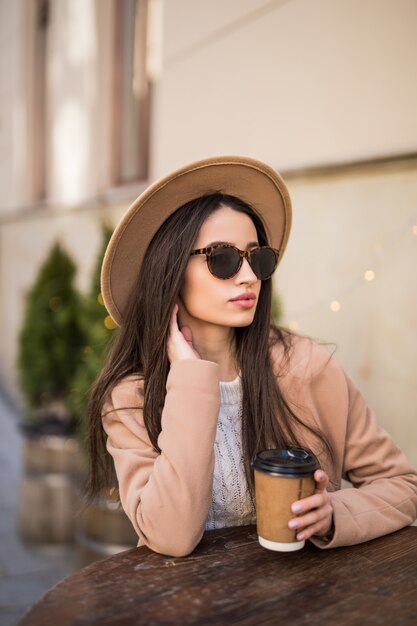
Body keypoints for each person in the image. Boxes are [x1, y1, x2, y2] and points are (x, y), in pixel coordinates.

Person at [87, 155, 417, 557]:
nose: (248, 276)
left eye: (257, 257)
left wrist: (334, 513)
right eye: (222, 259)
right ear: (169, 269)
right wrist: (190, 378)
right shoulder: (131, 397)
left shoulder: (308, 366)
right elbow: (171, 537)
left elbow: (403, 485)